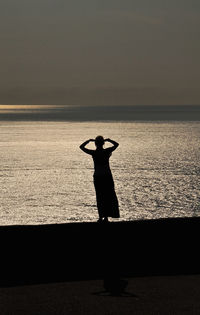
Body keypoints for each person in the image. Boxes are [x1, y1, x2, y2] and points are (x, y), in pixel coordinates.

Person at [80, 136, 120, 222]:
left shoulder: (94, 153)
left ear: (95, 144)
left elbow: (81, 147)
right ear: (103, 143)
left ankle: (101, 217)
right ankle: (105, 217)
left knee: (100, 196)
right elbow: (116, 144)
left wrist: (89, 141)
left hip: (98, 176)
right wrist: (109, 140)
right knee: (108, 196)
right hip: (107, 176)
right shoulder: (106, 151)